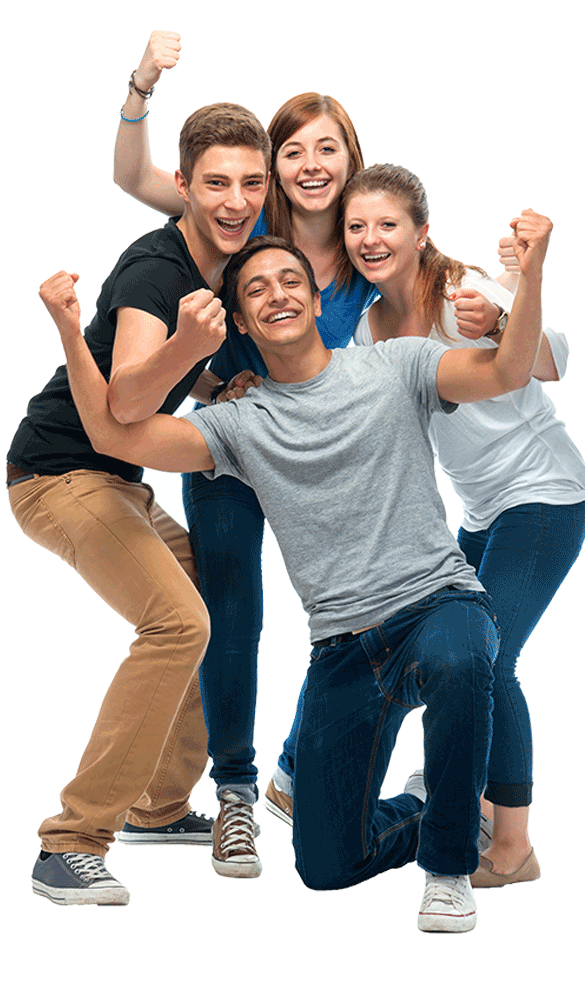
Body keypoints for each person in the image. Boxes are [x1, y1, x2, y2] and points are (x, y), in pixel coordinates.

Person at [40, 208, 553, 930]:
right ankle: (442, 811)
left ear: (316, 301)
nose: (277, 294)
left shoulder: (396, 364)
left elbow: (505, 369)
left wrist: (532, 275)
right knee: (326, 863)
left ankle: (447, 870)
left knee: (465, 656)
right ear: (239, 323)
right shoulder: (237, 422)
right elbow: (110, 432)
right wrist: (70, 330)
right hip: (342, 648)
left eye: (291, 281)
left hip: (438, 605)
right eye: (256, 289)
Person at [114, 31, 513, 843]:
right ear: (272, 165)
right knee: (233, 611)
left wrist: (506, 292)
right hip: (237, 442)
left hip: (330, 460)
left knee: (353, 610)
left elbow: (433, 283)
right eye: (291, 150)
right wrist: (142, 85)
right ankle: (235, 791)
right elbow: (133, 178)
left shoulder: (370, 245)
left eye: (327, 148)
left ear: (350, 157)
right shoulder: (246, 220)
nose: (310, 165)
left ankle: (298, 770)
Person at [7, 101, 270, 905]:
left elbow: (164, 377)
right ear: (183, 185)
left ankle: (158, 806)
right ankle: (71, 841)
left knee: (206, 601)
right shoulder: (157, 271)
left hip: (117, 481)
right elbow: (125, 399)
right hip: (59, 474)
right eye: (217, 183)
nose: (236, 201)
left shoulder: (221, 258)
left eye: (251, 183)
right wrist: (191, 348)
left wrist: (214, 382)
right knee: (178, 622)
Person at [342, 164, 585, 886]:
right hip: (481, 512)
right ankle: (469, 797)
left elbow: (553, 361)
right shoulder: (366, 328)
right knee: (446, 656)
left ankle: (513, 847)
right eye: (357, 226)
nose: (370, 238)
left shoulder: (464, 292)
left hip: (545, 496)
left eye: (387, 224)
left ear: (421, 232)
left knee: (489, 660)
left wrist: (505, 317)